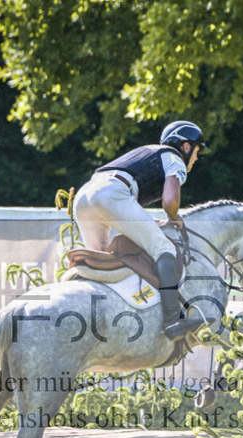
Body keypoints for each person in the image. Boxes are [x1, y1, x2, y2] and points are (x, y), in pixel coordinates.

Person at [72, 120, 208, 341]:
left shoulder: (148, 153)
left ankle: (96, 316)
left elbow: (124, 204)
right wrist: (174, 217)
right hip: (111, 193)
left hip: (85, 195)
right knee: (164, 248)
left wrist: (150, 221)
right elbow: (170, 202)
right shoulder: (174, 158)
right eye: (197, 151)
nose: (196, 158)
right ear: (186, 146)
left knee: (102, 259)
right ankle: (173, 321)